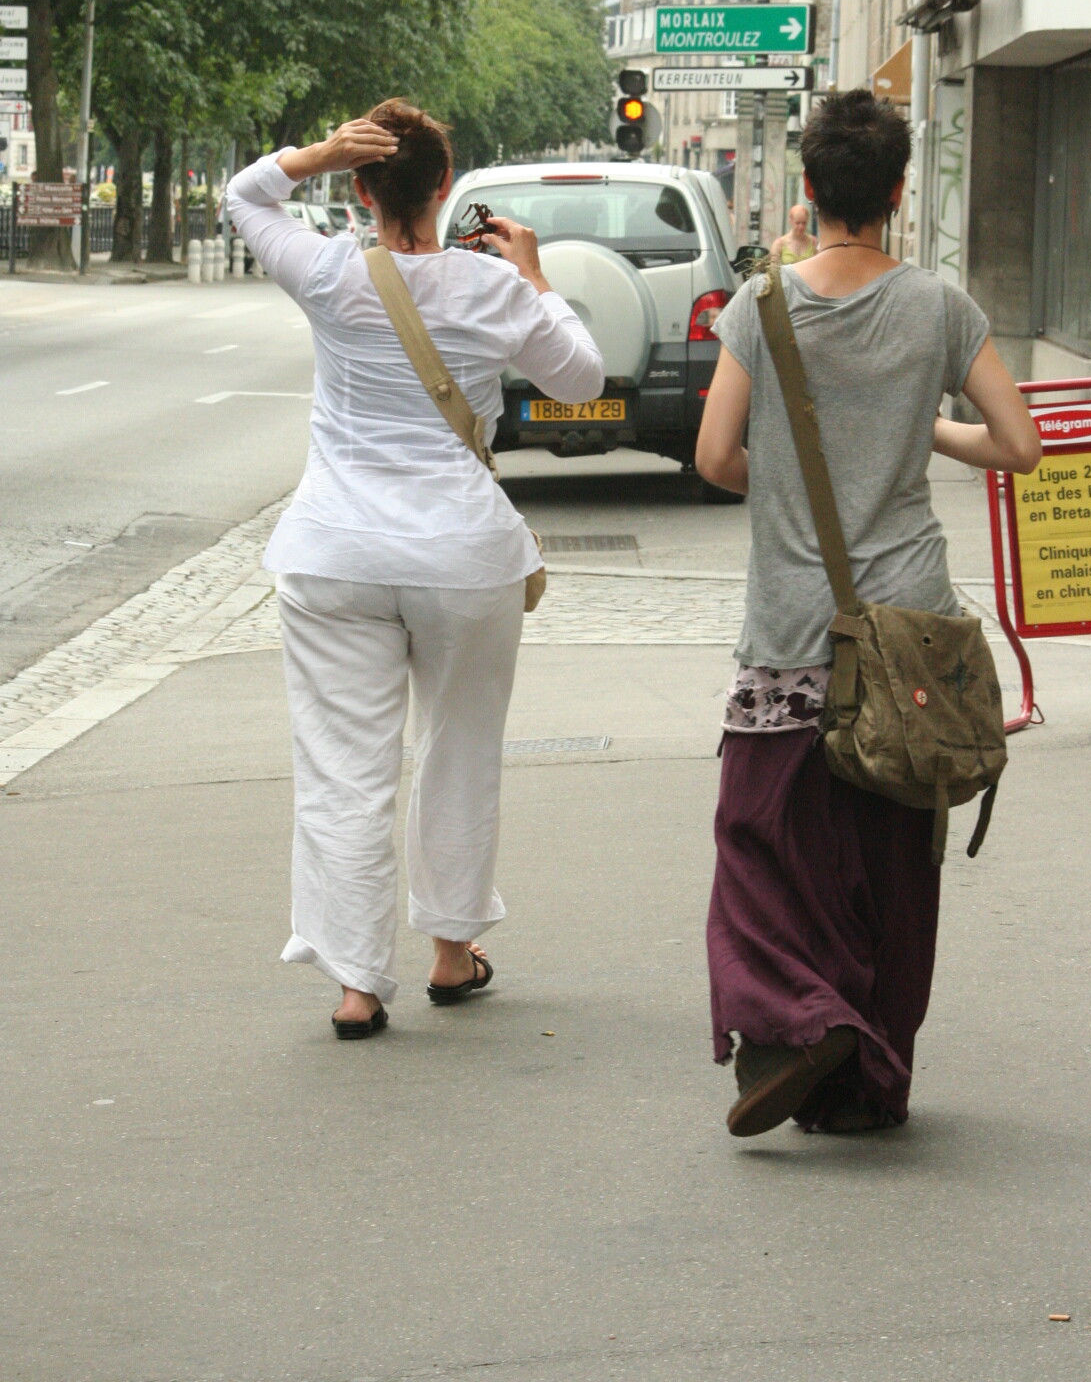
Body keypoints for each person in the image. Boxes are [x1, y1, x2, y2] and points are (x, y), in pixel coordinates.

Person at [695, 89, 1040, 1137]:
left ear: (808, 189)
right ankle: (870, 1084)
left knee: (762, 849)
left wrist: (789, 486)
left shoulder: (761, 306)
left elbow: (715, 457)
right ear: (897, 192)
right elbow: (1018, 445)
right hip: (910, 642)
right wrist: (915, 428)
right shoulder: (940, 307)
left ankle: (807, 1017)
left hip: (793, 635)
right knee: (893, 868)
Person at [226, 101, 604, 1040]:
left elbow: (246, 197)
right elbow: (582, 380)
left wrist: (312, 156)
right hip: (461, 557)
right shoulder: (495, 287)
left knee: (342, 770)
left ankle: (356, 984)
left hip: (334, 550)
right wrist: (536, 276)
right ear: (446, 187)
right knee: (460, 751)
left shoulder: (326, 271)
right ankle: (449, 949)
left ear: (360, 190)